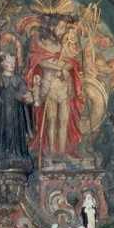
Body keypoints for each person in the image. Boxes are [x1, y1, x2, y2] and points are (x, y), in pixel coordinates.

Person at [26, 16, 84, 161]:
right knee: (51, 119)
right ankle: (51, 151)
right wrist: (59, 67)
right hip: (49, 86)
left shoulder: (65, 44)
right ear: (52, 27)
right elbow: (38, 61)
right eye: (61, 27)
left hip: (64, 87)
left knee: (64, 120)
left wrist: (65, 68)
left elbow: (73, 62)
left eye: (64, 27)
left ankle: (62, 151)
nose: (63, 31)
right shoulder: (41, 42)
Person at [0, 53, 33, 173]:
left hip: (16, 114)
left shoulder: (18, 80)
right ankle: (1, 155)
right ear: (2, 64)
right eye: (9, 62)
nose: (12, 65)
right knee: (3, 133)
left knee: (15, 133)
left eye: (13, 63)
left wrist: (27, 97)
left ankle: (16, 154)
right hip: (1, 114)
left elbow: (24, 93)